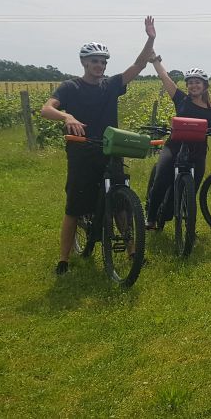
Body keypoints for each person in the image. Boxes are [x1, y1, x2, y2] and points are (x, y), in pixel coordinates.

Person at [41, 17, 157, 275]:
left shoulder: (111, 85)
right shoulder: (70, 87)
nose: (100, 65)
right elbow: (46, 109)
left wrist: (150, 38)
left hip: (109, 149)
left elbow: (138, 65)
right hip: (81, 150)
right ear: (84, 63)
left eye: (103, 62)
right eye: (95, 61)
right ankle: (64, 259)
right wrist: (67, 116)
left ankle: (132, 252)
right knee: (74, 206)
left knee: (121, 203)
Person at [146, 55, 211, 229]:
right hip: (174, 147)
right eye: (190, 83)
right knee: (161, 178)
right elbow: (166, 78)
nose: (193, 85)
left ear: (205, 86)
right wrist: (155, 61)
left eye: (197, 82)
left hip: (198, 151)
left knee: (191, 191)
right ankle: (150, 217)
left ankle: (187, 227)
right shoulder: (181, 99)